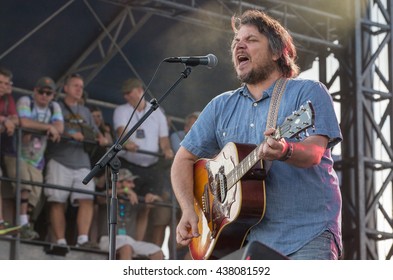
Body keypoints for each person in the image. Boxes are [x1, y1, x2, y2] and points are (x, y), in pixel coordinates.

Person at [171, 9, 342, 260]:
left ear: (276, 52)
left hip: (308, 235)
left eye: (251, 40)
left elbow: (315, 151)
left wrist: (286, 150)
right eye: (236, 42)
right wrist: (189, 210)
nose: (239, 45)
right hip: (249, 242)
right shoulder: (220, 106)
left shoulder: (308, 92)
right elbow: (182, 160)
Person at [44, 73, 106, 248]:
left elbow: (95, 131)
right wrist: (70, 134)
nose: (79, 89)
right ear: (65, 88)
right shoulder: (56, 107)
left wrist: (101, 137)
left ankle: (83, 240)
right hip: (59, 159)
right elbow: (51, 128)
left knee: (87, 199)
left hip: (82, 162)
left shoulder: (85, 111)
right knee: (57, 200)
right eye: (75, 86)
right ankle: (61, 241)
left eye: (81, 86)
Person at [112, 78, 174, 246]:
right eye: (124, 94)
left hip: (151, 166)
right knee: (126, 200)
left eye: (129, 92)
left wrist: (167, 150)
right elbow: (121, 133)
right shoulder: (121, 110)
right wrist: (127, 143)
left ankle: (137, 244)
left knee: (147, 204)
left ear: (140, 90)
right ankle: (121, 241)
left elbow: (163, 138)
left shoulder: (157, 112)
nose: (126, 96)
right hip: (129, 164)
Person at [14, 76, 64, 239]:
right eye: (41, 91)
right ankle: (21, 224)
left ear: (53, 95)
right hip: (18, 153)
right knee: (24, 187)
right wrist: (48, 127)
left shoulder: (54, 106)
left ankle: (26, 226)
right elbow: (25, 122)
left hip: (37, 158)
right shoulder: (25, 101)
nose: (44, 95)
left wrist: (50, 127)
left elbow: (60, 127)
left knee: (34, 194)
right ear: (35, 91)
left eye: (48, 93)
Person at [96, 168, 164, 260]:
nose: (133, 185)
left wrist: (153, 197)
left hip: (131, 241)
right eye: (129, 182)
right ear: (118, 183)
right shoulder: (109, 198)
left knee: (157, 251)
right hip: (107, 239)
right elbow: (99, 197)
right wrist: (124, 191)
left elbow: (156, 204)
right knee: (126, 247)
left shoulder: (133, 199)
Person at [0, 67, 20, 235]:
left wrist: (9, 121)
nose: (3, 86)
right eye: (0, 82)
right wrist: (5, 119)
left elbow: (15, 119)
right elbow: (9, 119)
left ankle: (0, 222)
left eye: (6, 83)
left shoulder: (8, 99)